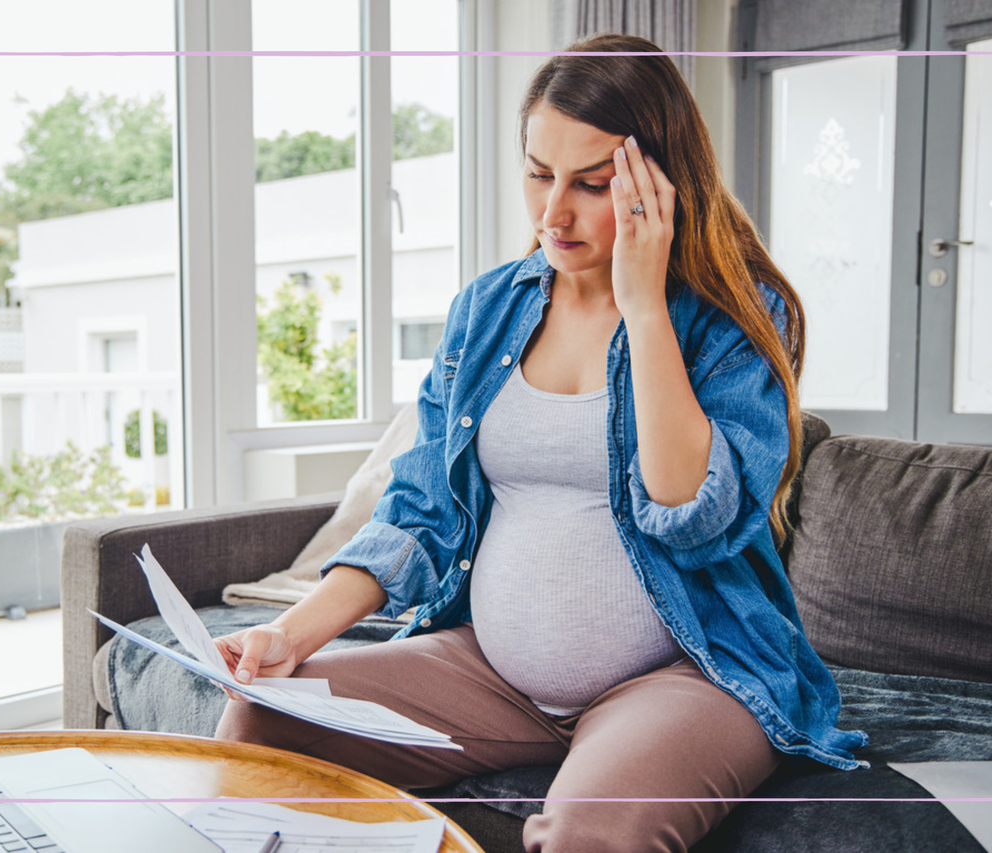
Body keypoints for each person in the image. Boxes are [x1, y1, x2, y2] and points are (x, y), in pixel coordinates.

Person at [214, 33, 867, 853]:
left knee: (590, 833)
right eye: (537, 172)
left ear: (659, 184)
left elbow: (693, 513)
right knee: (259, 714)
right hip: (490, 674)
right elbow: (419, 511)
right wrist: (291, 636)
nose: (553, 212)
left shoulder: (733, 316)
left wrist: (645, 305)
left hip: (691, 672)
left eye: (592, 184)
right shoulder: (487, 310)